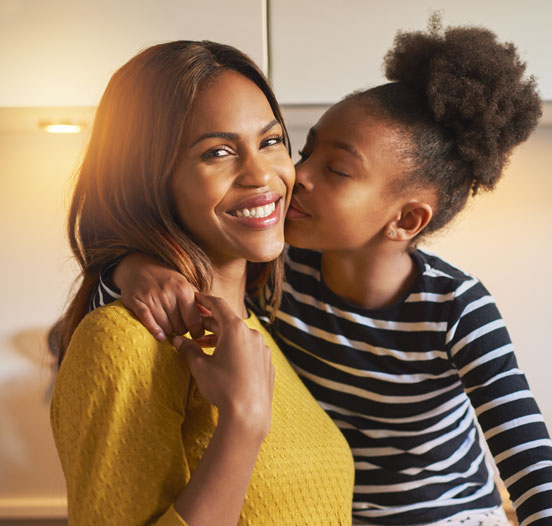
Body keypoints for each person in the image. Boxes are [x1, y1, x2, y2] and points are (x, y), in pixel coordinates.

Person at [95, 18, 552, 526]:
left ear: (405, 220)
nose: (296, 175)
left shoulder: (457, 309)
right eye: (305, 150)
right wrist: (131, 268)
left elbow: (531, 470)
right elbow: (120, 288)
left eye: (337, 170)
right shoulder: (277, 269)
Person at [48, 40, 354, 525]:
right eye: (217, 152)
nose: (261, 175)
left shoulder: (258, 326)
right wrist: (243, 422)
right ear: (147, 180)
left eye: (271, 141)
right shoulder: (122, 343)